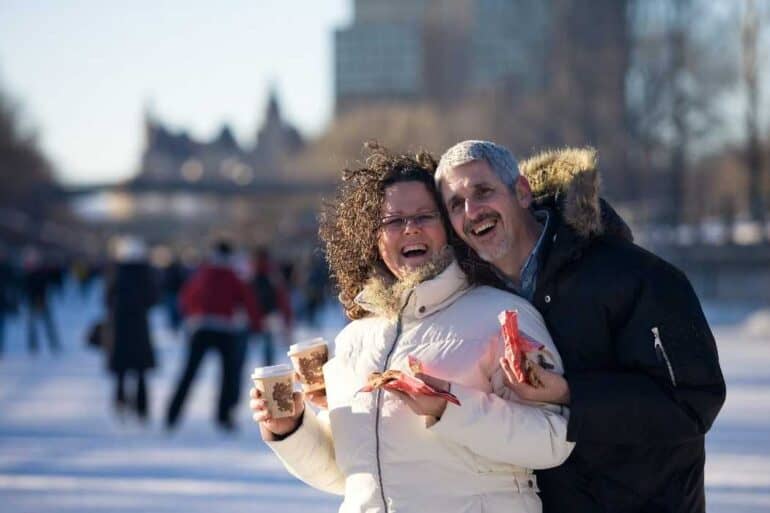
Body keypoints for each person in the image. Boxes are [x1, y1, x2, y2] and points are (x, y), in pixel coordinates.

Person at [250, 145, 574, 512]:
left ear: (448, 228)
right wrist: (290, 428)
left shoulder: (501, 315)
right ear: (372, 236)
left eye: (425, 215)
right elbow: (353, 475)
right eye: (393, 220)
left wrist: (447, 407)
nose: (411, 229)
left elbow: (553, 440)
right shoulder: (356, 339)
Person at [435, 140, 726, 513]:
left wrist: (570, 393)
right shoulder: (472, 300)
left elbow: (693, 402)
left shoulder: (636, 277)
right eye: (455, 204)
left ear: (522, 192)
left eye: (483, 191)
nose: (472, 211)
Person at [166, 239, 262, 432]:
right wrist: (256, 325)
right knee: (228, 375)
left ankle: (172, 415)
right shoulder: (232, 276)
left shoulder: (202, 274)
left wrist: (189, 317)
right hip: (226, 329)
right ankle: (224, 417)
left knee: (189, 373)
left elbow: (186, 297)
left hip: (200, 328)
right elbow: (248, 301)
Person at [105, 236, 158, 422]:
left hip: (119, 326)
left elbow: (107, 298)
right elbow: (153, 299)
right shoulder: (145, 273)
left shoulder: (115, 272)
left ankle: (120, 403)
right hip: (139, 327)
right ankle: (142, 408)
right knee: (141, 369)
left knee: (121, 368)